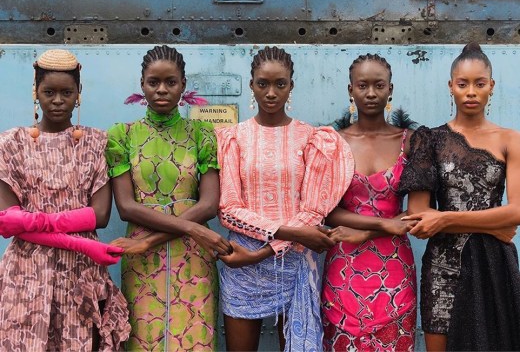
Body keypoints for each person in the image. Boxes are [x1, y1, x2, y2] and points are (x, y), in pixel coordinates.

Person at [216, 46, 354, 351]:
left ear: (291, 86)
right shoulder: (232, 138)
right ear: (251, 84)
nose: (271, 92)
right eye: (263, 83)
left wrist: (265, 251)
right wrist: (285, 235)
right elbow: (228, 209)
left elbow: (313, 209)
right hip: (242, 260)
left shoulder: (313, 138)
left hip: (295, 260)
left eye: (280, 84)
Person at [0, 49, 130, 351]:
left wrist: (34, 220)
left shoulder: (96, 143)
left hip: (79, 273)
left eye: (66, 92)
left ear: (78, 94)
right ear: (36, 92)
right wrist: (80, 240)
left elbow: (99, 215)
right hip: (26, 272)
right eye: (49, 92)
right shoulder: (11, 144)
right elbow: (8, 221)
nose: (57, 100)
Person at [106, 45, 231, 351]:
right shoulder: (121, 135)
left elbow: (208, 204)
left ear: (183, 85)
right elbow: (126, 207)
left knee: (195, 339)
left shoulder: (201, 133)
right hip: (142, 260)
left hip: (192, 259)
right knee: (143, 339)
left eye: (170, 82)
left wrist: (151, 240)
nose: (162, 90)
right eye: (153, 82)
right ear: (142, 85)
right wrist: (193, 228)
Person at [399, 42, 520, 351]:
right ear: (450, 86)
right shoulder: (431, 139)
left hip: (494, 263)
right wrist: (493, 224)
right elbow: (418, 217)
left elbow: (517, 212)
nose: (470, 91)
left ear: (491, 86)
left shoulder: (510, 140)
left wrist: (445, 218)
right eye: (462, 84)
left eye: (479, 84)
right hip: (443, 268)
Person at [321, 53, 418, 351]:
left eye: (379, 85)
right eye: (363, 85)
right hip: (343, 268)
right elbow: (327, 211)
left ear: (391, 89)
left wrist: (366, 232)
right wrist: (382, 223)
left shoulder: (411, 141)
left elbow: (417, 215)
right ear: (350, 90)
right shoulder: (332, 142)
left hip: (395, 270)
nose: (371, 93)